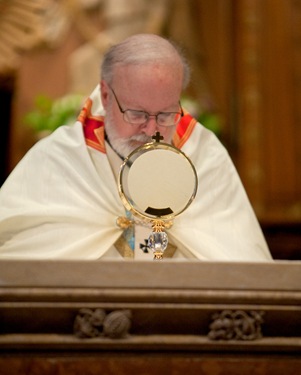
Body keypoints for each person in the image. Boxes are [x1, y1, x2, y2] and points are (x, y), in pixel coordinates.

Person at [0, 34, 272, 261]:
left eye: (166, 115)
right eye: (137, 114)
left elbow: (242, 265)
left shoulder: (204, 156)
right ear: (106, 95)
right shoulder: (58, 160)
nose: (152, 129)